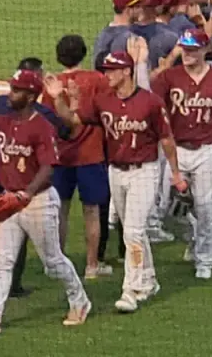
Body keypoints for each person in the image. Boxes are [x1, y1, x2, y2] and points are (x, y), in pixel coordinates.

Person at [48, 49, 186, 314]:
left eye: (112, 70)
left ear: (127, 72)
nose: (107, 74)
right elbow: (72, 120)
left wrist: (176, 173)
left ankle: (130, 290)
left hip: (144, 171)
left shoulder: (150, 102)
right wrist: (58, 99)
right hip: (116, 171)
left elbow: (166, 140)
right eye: (106, 69)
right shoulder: (103, 100)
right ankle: (149, 280)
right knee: (133, 231)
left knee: (132, 231)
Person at [0, 70, 90, 335]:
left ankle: (80, 300)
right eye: (12, 87)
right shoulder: (2, 121)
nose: (11, 93)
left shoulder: (42, 125)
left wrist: (27, 193)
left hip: (38, 201)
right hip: (10, 199)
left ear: (31, 96)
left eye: (17, 90)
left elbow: (48, 167)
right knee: (3, 261)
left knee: (52, 262)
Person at [151, 29, 212, 279]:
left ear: (205, 49)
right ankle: (193, 235)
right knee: (168, 208)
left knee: (206, 206)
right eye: (184, 48)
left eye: (193, 48)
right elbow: (151, 106)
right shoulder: (169, 78)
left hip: (207, 149)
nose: (187, 53)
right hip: (177, 150)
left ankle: (205, 259)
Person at [0, 57, 70, 294]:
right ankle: (0, 300)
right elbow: (67, 131)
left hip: (18, 185)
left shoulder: (5, 108)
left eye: (16, 88)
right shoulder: (42, 114)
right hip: (10, 182)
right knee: (9, 241)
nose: (11, 93)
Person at [40, 36, 113, 281]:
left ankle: (57, 265)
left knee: (59, 211)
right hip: (91, 155)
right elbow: (108, 113)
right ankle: (92, 265)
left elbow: (48, 121)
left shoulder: (52, 84)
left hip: (61, 156)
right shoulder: (98, 80)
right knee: (92, 212)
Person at [93, 0, 140, 69]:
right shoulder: (130, 37)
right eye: (138, 7)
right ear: (128, 10)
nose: (141, 10)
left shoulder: (102, 35)